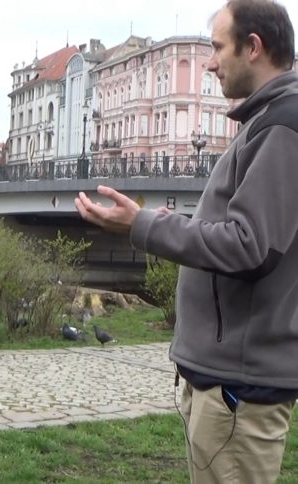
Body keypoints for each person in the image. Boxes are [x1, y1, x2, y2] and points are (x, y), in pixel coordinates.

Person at [76, 1, 297, 482]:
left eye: (218, 48)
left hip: (239, 385)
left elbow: (249, 245)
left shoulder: (282, 125)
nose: (211, 62)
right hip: (225, 379)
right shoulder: (264, 123)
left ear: (253, 47)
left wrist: (144, 225)